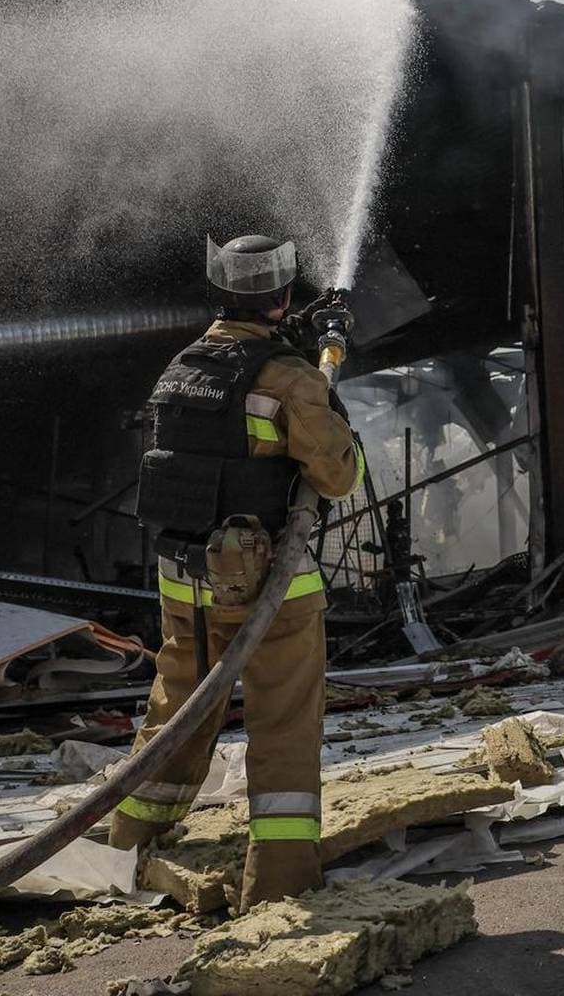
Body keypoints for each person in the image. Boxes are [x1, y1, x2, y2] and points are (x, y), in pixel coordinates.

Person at [109, 233, 364, 908]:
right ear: (283, 297)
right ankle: (279, 887)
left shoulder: (183, 366)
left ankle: (122, 850)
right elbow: (336, 477)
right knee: (282, 731)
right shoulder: (291, 378)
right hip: (267, 589)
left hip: (182, 580)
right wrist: (322, 390)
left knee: (176, 714)